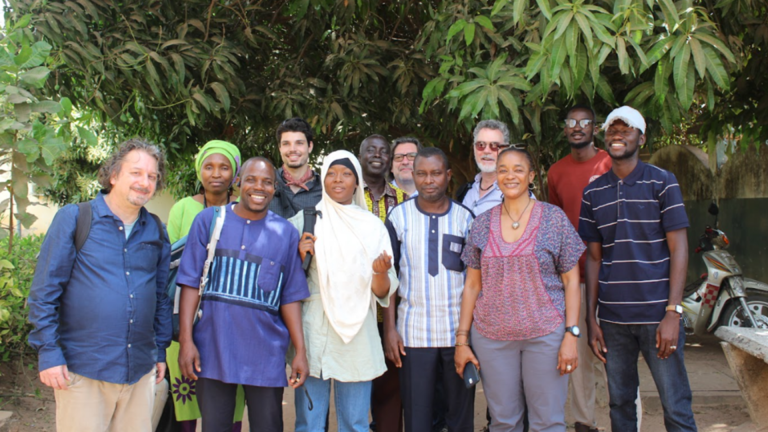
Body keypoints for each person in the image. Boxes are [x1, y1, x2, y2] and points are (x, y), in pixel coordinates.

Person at [28, 138, 172, 432]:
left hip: (140, 372)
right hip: (83, 372)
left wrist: (159, 351)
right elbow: (44, 293)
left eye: (152, 176)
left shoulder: (156, 229)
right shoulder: (76, 218)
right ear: (114, 175)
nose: (144, 182)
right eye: (136, 173)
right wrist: (49, 352)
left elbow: (160, 297)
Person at [580, 106, 697, 432]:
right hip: (613, 322)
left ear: (641, 138)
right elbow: (593, 258)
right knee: (620, 405)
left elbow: (679, 248)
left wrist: (673, 312)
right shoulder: (593, 193)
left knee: (675, 406)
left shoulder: (663, 182)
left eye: (626, 129)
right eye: (612, 130)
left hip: (658, 317)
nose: (617, 135)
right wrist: (592, 318)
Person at [454, 147, 584, 432]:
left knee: (548, 422)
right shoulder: (482, 223)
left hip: (545, 336)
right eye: (503, 170)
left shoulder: (554, 219)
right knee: (503, 422)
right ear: (496, 175)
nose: (510, 176)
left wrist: (571, 335)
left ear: (531, 176)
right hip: (492, 338)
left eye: (518, 169)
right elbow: (473, 284)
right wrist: (462, 341)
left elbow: (572, 281)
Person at [176, 157, 310, 431]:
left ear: (275, 189)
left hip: (266, 354)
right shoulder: (209, 221)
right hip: (212, 348)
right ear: (238, 183)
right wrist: (186, 341)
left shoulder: (285, 232)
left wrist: (300, 352)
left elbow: (290, 297)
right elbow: (189, 284)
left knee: (268, 426)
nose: (258, 187)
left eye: (267, 182)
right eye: (251, 180)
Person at [289, 150, 399, 432]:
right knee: (309, 425)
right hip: (314, 334)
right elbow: (286, 279)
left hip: (357, 337)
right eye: (331, 173)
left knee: (355, 424)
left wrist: (379, 273)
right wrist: (296, 254)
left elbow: (383, 292)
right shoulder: (305, 221)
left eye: (346, 174)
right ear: (323, 178)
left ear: (356, 182)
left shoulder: (373, 227)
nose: (338, 180)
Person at [385, 147, 475, 432]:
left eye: (436, 173)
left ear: (448, 176)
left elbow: (475, 281)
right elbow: (390, 278)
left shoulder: (465, 218)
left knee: (459, 416)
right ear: (413, 176)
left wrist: (469, 334)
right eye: (421, 174)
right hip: (413, 334)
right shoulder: (399, 218)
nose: (429, 180)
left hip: (457, 335)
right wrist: (390, 329)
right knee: (417, 417)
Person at [164, 140, 245, 430]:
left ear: (235, 174)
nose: (216, 174)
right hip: (184, 318)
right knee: (185, 408)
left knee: (229, 407)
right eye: (209, 167)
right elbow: (168, 262)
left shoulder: (244, 210)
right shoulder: (183, 209)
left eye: (224, 167)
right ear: (199, 172)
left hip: (230, 320)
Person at [547, 105, 612, 432]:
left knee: (614, 358)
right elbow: (557, 226)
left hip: (614, 279)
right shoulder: (556, 172)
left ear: (595, 129)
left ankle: (628, 422)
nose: (577, 127)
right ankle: (585, 423)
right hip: (575, 280)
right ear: (564, 129)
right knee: (580, 356)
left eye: (584, 122)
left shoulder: (611, 163)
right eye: (571, 122)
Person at [359, 134, 408, 432]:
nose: (377, 155)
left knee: (389, 390)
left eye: (383, 151)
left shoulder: (405, 201)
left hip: (394, 310)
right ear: (360, 156)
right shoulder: (346, 196)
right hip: (356, 312)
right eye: (370, 150)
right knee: (353, 389)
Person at [269, 117, 323, 218]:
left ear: (310, 146)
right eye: (286, 144)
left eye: (299, 143)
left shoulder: (324, 188)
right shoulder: (266, 182)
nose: (292, 149)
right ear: (279, 148)